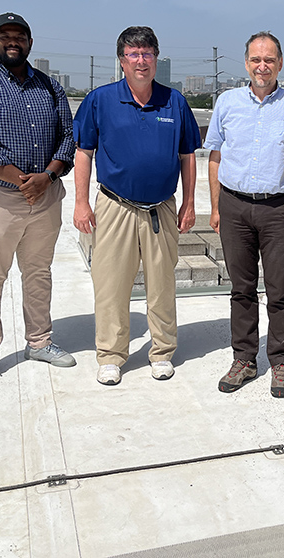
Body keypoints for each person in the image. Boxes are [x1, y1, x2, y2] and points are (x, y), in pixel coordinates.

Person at [0, 12, 77, 391]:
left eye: (19, 36)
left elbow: (68, 135)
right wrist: (21, 180)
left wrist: (48, 176)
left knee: (39, 273)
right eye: (5, 36)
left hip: (44, 194)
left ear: (30, 42)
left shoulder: (50, 87)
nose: (13, 42)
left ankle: (39, 342)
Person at [72, 26, 201, 386]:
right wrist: (82, 203)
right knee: (111, 285)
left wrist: (189, 203)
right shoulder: (100, 100)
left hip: (161, 209)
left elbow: (187, 155)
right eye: (133, 54)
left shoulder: (173, 101)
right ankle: (111, 355)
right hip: (115, 207)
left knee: (162, 285)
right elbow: (84, 152)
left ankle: (161, 352)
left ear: (156, 59)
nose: (141, 60)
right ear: (122, 61)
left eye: (147, 54)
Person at [204, 32, 284, 398]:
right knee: (241, 288)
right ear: (246, 63)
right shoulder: (227, 102)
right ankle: (245, 359)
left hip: (279, 208)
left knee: (281, 290)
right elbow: (215, 156)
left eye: (269, 60)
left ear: (280, 64)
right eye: (255, 60)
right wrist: (216, 205)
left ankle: (281, 362)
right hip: (234, 206)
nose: (262, 66)